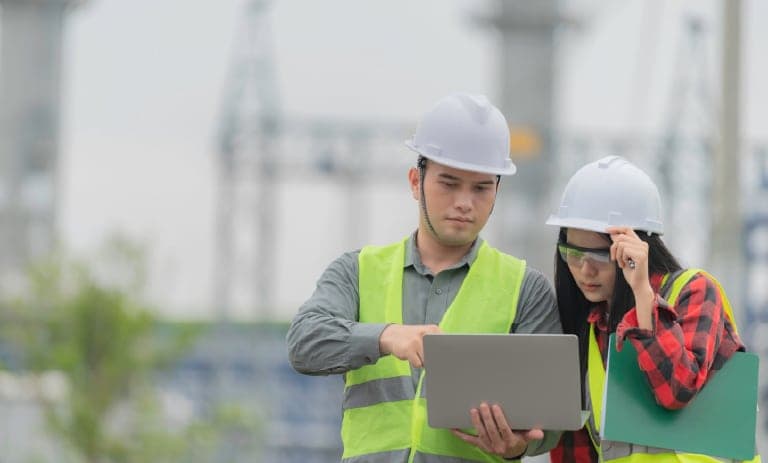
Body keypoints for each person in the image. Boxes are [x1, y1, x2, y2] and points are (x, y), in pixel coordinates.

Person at [286, 92, 562, 462]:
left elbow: (550, 419)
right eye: (449, 183)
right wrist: (386, 336)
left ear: (497, 190)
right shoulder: (357, 271)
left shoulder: (526, 290)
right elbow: (305, 342)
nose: (464, 202)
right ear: (416, 181)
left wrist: (519, 446)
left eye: (481, 187)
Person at [545, 155, 757, 463]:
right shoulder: (589, 328)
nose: (585, 271)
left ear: (638, 248)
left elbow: (677, 390)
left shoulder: (694, 292)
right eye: (574, 254)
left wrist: (643, 296)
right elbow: (576, 451)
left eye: (601, 256)